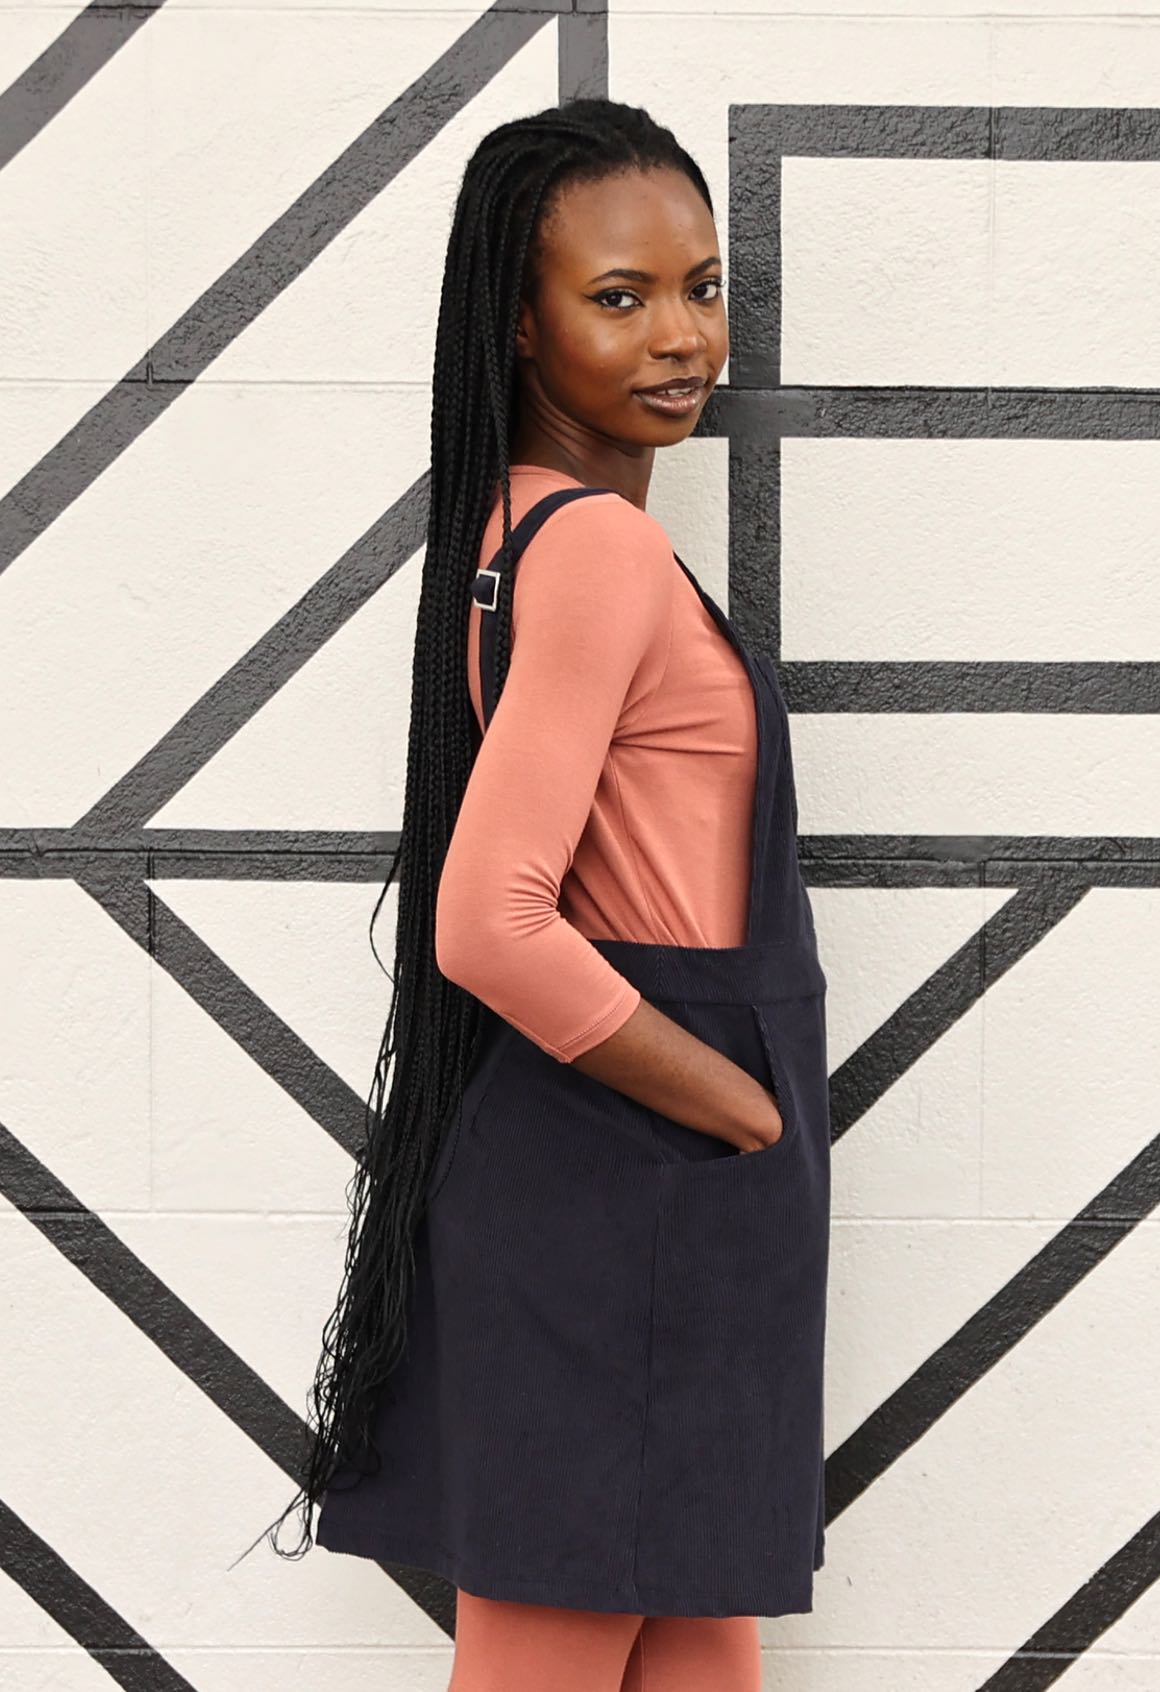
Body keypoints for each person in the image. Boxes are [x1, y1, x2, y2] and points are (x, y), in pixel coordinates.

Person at [246, 96, 831, 1690]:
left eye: (702, 286)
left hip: (646, 1182)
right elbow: (484, 917)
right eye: (621, 296)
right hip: (627, 1172)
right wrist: (744, 1107)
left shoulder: (529, 535)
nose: (684, 335)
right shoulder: (598, 555)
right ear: (520, 316)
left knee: (697, 1634)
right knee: (558, 1653)